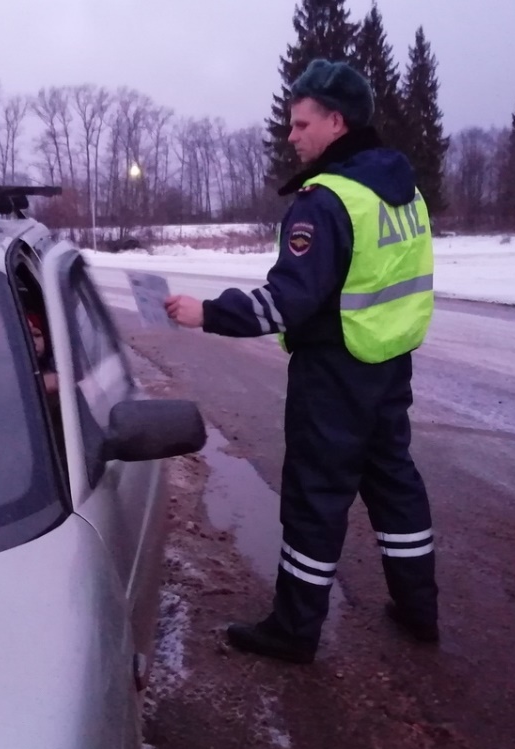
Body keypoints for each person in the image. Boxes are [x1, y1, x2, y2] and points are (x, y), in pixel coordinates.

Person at [164, 58, 439, 663]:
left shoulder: (326, 201)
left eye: (300, 124)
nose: (291, 137)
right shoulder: (402, 191)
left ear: (336, 123)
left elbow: (287, 301)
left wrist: (206, 313)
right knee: (394, 482)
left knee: (317, 495)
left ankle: (294, 631)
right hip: (390, 363)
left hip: (336, 371)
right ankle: (420, 609)